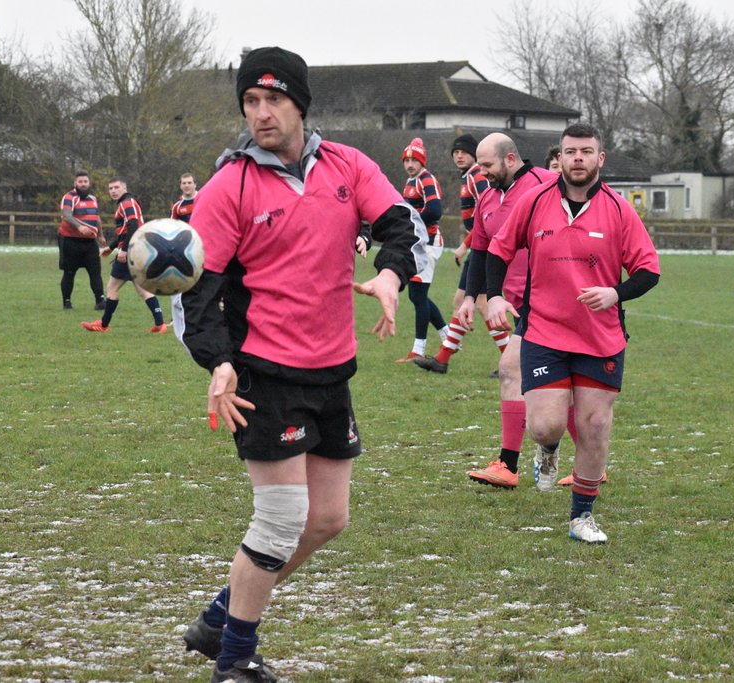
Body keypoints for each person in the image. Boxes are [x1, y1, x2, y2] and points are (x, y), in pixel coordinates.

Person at [173, 46, 426, 682]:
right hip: (263, 372)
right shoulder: (229, 185)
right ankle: (232, 663)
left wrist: (393, 276)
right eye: (250, 103)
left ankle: (219, 620)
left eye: (273, 100)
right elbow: (198, 294)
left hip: (332, 369)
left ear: (300, 105)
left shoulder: (346, 164)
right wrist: (218, 362)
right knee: (282, 518)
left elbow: (403, 224)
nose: (261, 113)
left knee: (328, 519)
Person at [485, 123, 660, 542]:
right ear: (559, 158)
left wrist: (614, 293)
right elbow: (497, 250)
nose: (577, 158)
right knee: (545, 426)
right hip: (544, 331)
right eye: (570, 152)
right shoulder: (534, 202)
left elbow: (649, 271)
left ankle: (582, 516)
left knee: (595, 424)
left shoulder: (619, 209)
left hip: (601, 337)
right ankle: (547, 451)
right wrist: (493, 297)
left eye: (586, 151)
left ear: (600, 159)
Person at [439, 133, 574, 490]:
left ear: (510, 159)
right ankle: (588, 464)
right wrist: (471, 298)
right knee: (554, 381)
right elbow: (481, 253)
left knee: (513, 370)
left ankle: (508, 464)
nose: (480, 172)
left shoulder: (548, 184)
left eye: (486, 165)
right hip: (513, 298)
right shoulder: (486, 198)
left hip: (551, 297)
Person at [420, 133, 508, 375]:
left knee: (480, 303)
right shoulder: (469, 176)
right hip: (481, 247)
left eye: (464, 152)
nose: (459, 155)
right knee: (461, 302)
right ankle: (442, 359)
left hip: (486, 248)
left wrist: (465, 244)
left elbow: (488, 213)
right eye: (455, 152)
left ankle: (509, 360)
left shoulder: (477, 177)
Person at [80, 177, 167, 333]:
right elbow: (125, 230)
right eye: (111, 188)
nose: (113, 191)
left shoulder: (127, 202)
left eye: (116, 187)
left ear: (124, 188)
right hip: (138, 249)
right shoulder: (125, 203)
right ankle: (160, 324)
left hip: (132, 251)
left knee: (112, 287)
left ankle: (103, 325)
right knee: (141, 288)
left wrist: (125, 249)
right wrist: (111, 247)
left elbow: (133, 224)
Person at [396, 137, 448, 363]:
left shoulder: (426, 179)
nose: (409, 164)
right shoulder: (410, 180)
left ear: (422, 161)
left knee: (418, 296)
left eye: (413, 160)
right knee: (417, 296)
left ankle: (418, 349)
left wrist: (412, 222)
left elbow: (435, 210)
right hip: (418, 243)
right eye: (406, 160)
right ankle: (449, 339)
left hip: (428, 243)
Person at [58, 171, 107, 311]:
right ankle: (66, 303)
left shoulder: (93, 198)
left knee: (95, 271)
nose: (83, 184)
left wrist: (101, 235)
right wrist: (79, 227)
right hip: (70, 241)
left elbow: (96, 218)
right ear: (75, 183)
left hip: (90, 243)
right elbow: (66, 215)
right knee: (69, 272)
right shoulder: (69, 197)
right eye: (80, 182)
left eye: (85, 181)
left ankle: (100, 301)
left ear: (89, 183)